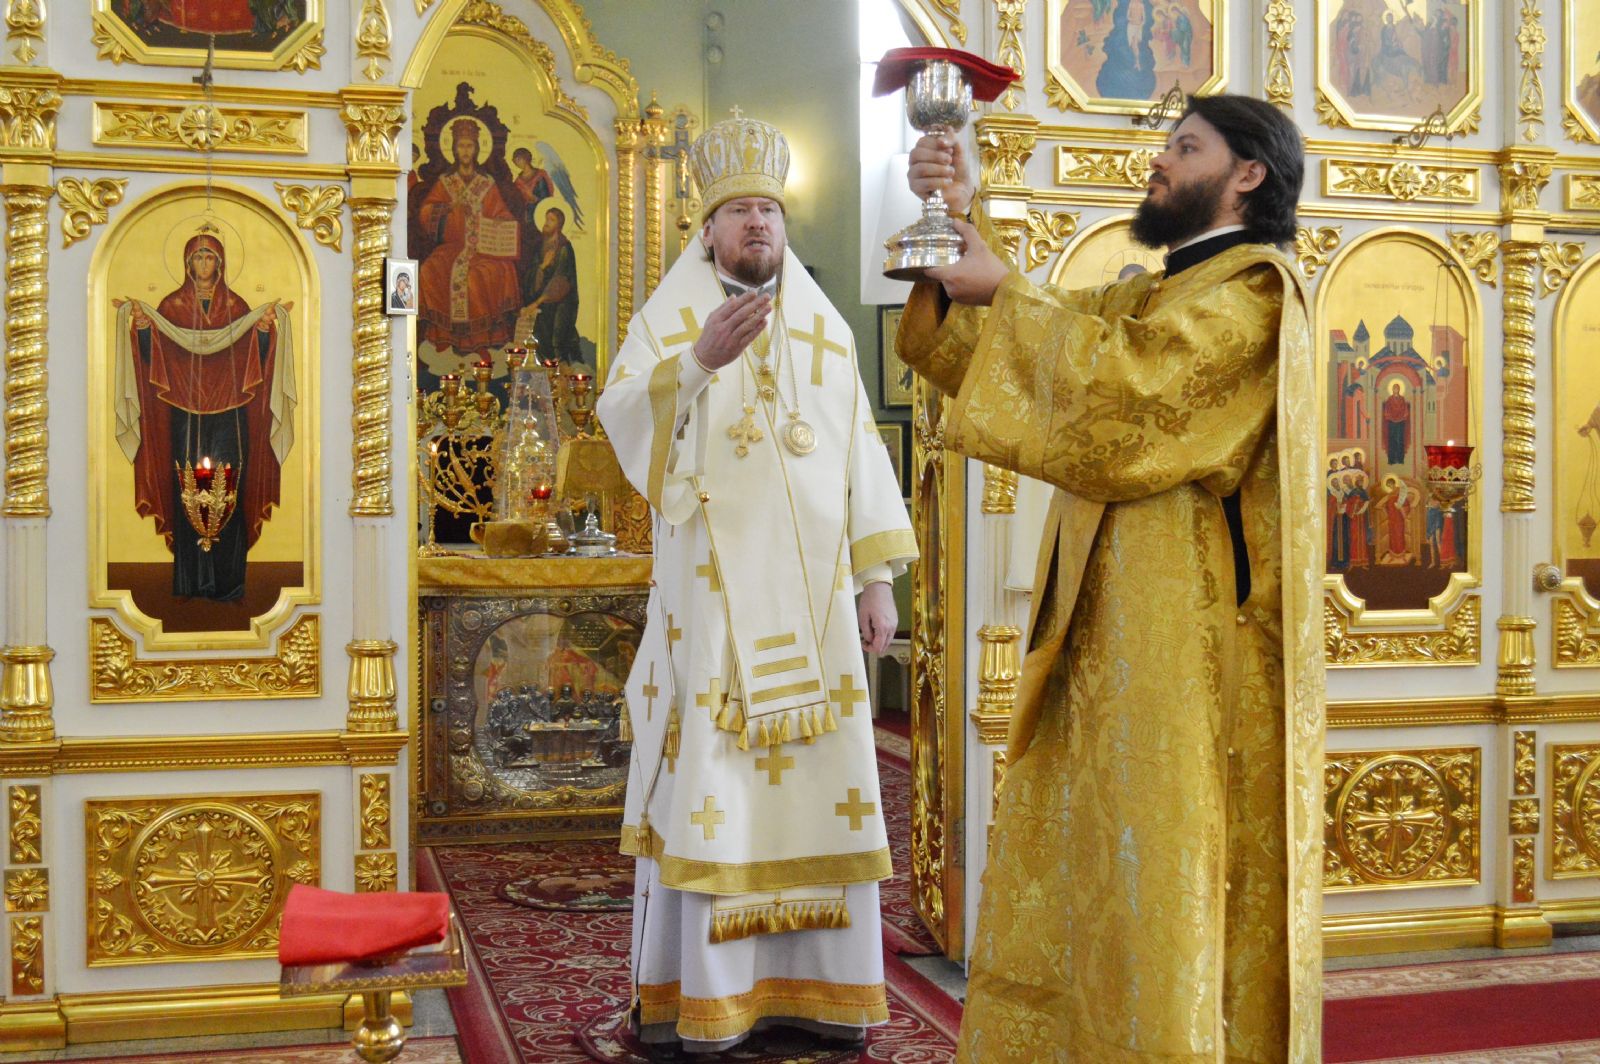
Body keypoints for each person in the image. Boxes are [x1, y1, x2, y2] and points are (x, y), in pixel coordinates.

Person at [899, 92, 1323, 1061]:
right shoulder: (1155, 294)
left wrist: (1003, 288)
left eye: (1185, 147)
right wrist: (957, 219)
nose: (1158, 162)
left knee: (1158, 879)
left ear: (1247, 173)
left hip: (1184, 656)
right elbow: (1007, 344)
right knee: (1088, 866)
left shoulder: (1253, 299)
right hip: (1103, 637)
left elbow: (1124, 391)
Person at [597, 112, 915, 1053]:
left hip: (819, 614)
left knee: (822, 789)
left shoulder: (824, 327)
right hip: (714, 610)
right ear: (707, 231)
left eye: (769, 210)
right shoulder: (669, 321)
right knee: (715, 789)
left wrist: (876, 580)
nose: (757, 224)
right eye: (738, 211)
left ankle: (825, 992)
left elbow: (858, 455)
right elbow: (624, 417)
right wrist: (698, 363)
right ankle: (707, 998)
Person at [113, 224, 296, 602]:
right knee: (187, 489)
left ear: (221, 263)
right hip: (185, 414)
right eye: (197, 256)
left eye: (209, 256)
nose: (203, 263)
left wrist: (263, 331)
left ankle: (229, 582)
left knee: (229, 489)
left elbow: (256, 359)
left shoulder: (237, 307)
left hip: (231, 414)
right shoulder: (171, 308)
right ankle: (191, 582)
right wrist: (144, 329)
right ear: (186, 263)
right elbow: (152, 359)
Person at [415, 118, 522, 356]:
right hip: (453, 247)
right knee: (430, 270)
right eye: (461, 146)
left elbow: (502, 213)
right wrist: (448, 208)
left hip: (483, 250)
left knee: (480, 276)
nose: (465, 151)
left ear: (476, 149)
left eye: (469, 146)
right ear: (454, 149)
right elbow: (425, 212)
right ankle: (443, 338)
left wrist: (500, 222)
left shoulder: (487, 184)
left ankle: (483, 340)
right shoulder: (446, 183)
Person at [525, 207, 582, 367]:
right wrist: (542, 266)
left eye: (551, 220)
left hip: (562, 304)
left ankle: (562, 373)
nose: (546, 223)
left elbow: (560, 281)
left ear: (559, 224)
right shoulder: (541, 247)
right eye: (546, 219)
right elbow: (531, 275)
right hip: (544, 304)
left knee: (557, 341)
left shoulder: (564, 248)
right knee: (541, 340)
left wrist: (536, 303)